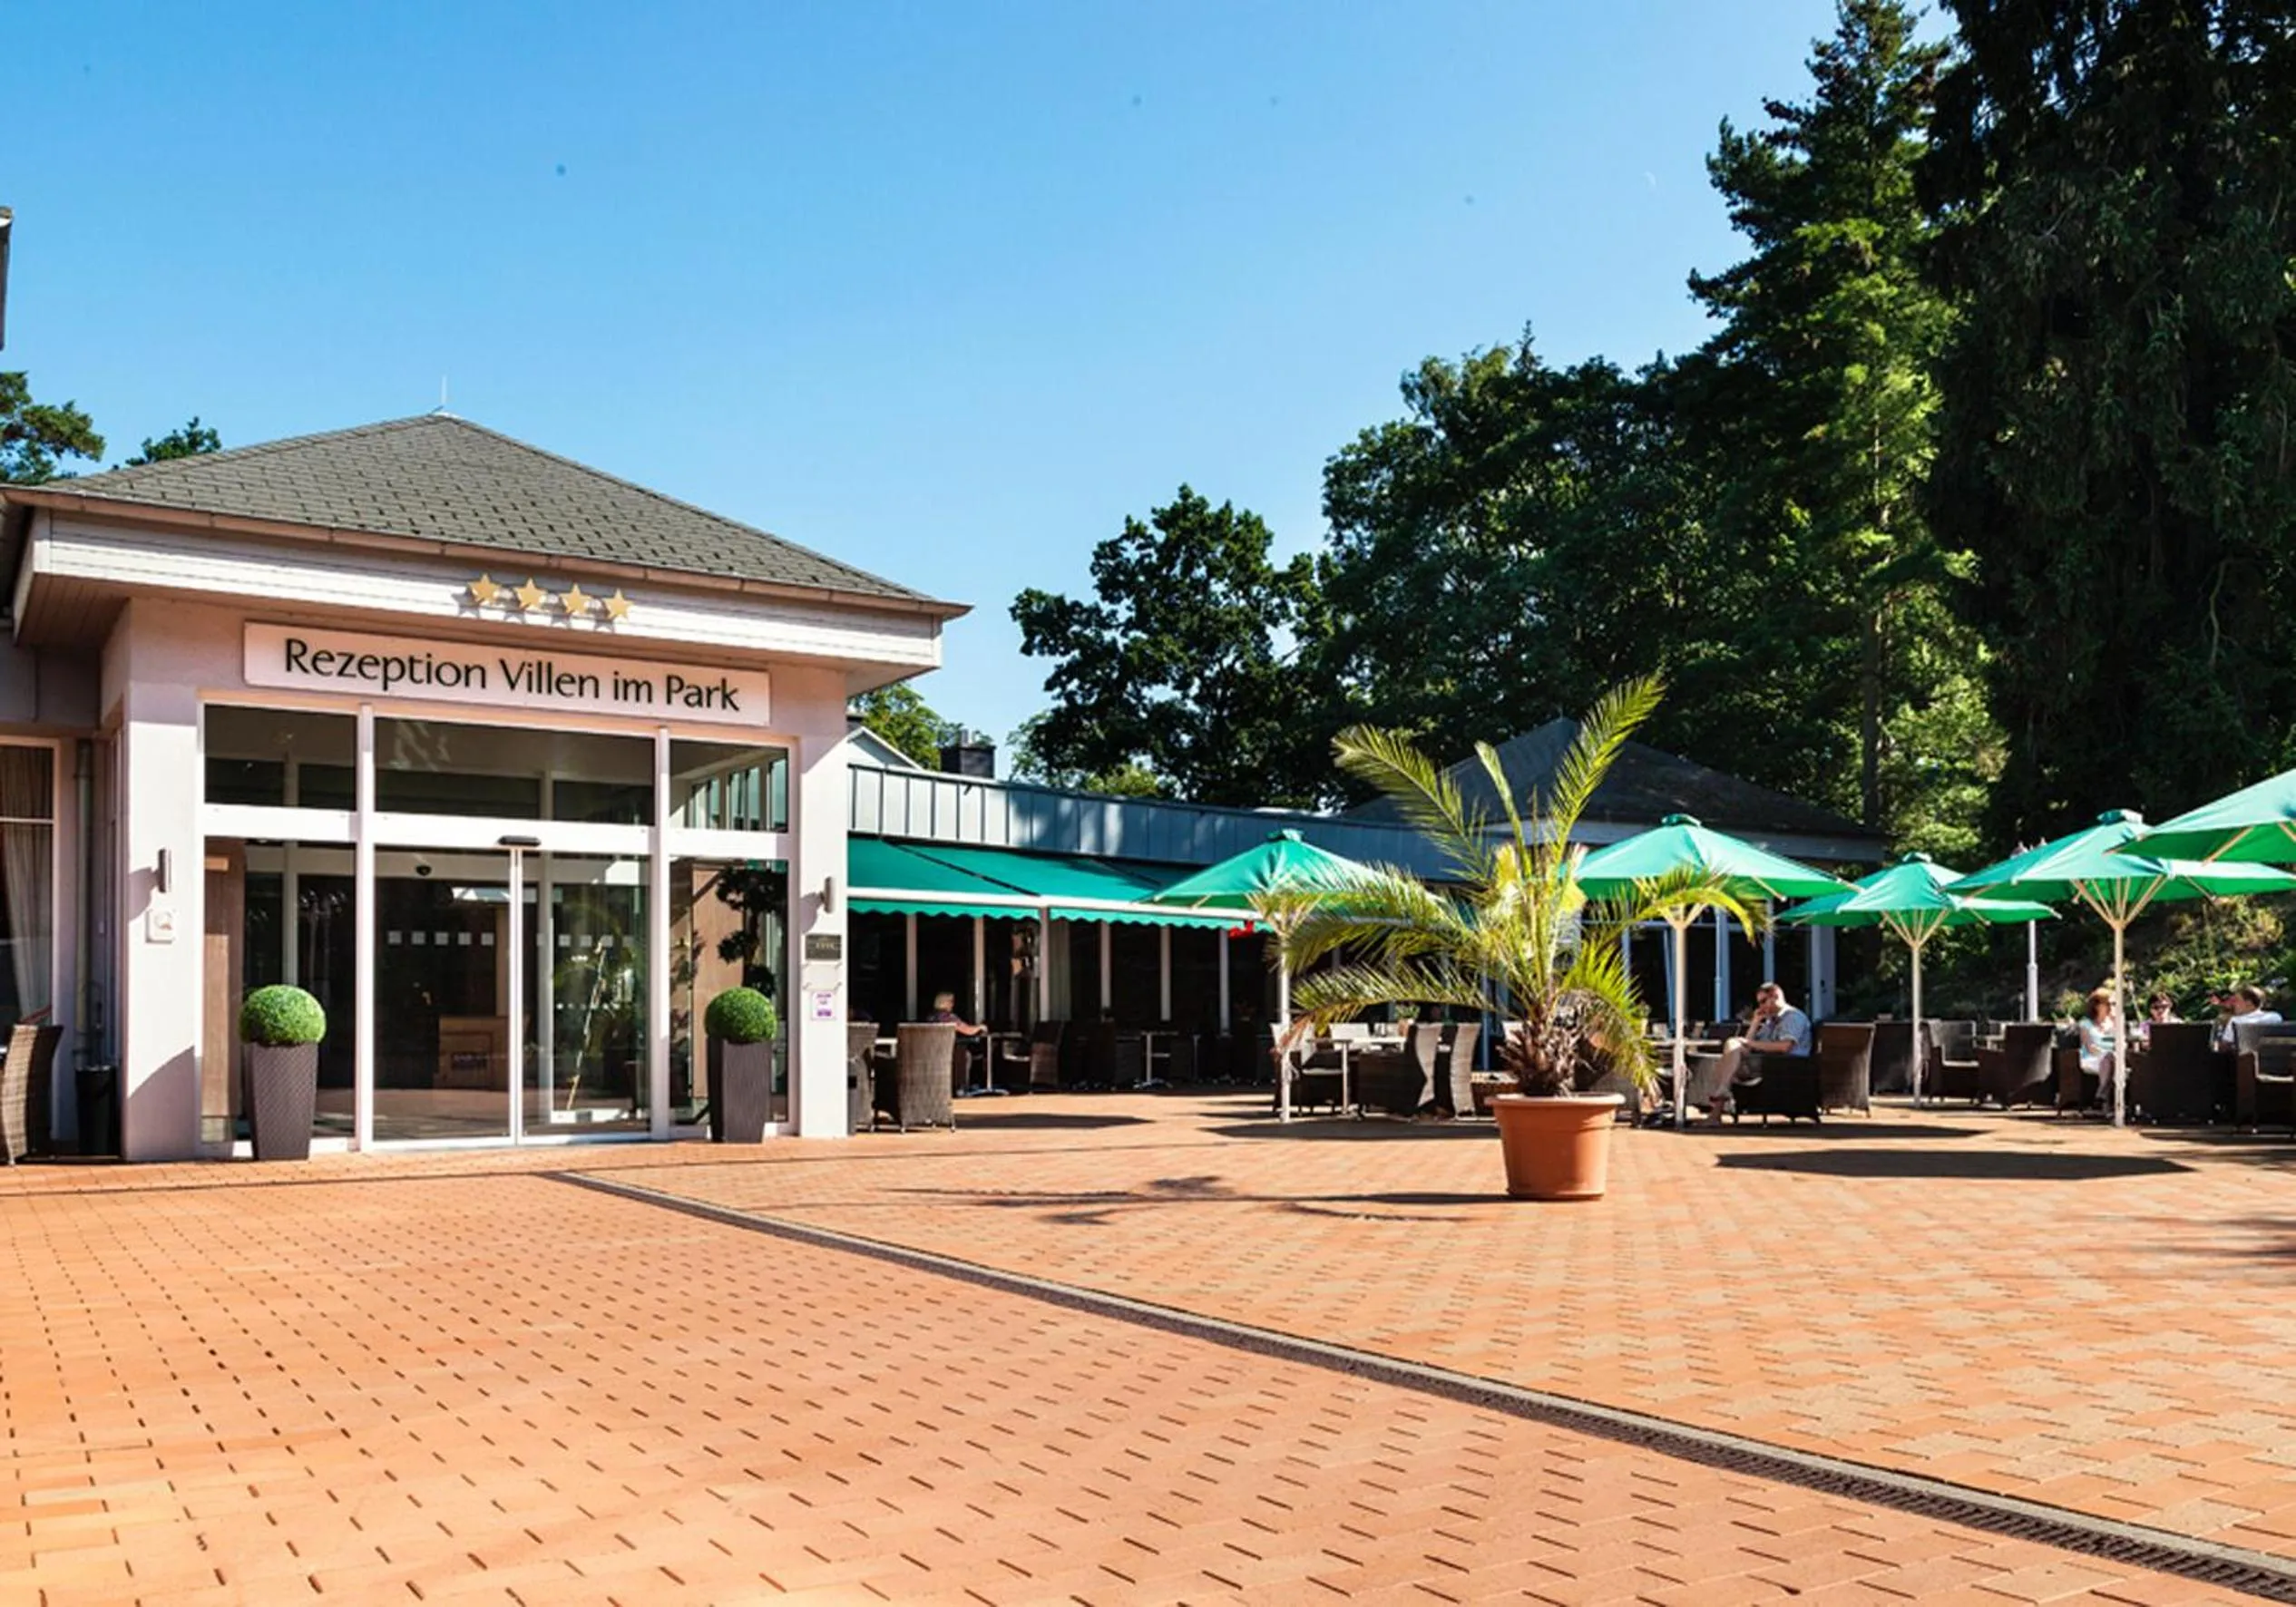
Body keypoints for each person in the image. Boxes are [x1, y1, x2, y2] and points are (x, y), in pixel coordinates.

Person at [1704, 980, 1812, 1121]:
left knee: (1728, 1062)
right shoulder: (1771, 1021)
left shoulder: (1793, 1017)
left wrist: (1749, 1043)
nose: (1761, 1006)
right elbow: (1748, 1046)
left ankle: (1717, 1110)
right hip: (1770, 1063)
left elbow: (1785, 1046)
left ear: (1775, 996)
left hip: (1787, 1067)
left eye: (1763, 1001)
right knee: (1728, 1057)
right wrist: (1755, 1022)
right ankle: (1721, 1096)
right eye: (1759, 1003)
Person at [2076, 987, 2116, 1108]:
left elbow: (2120, 1044)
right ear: (2097, 1006)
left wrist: (2116, 1024)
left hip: (2113, 1059)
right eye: (2108, 1004)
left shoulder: (2114, 1024)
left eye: (2113, 1004)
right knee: (2109, 1058)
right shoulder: (2086, 1024)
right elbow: (2090, 1047)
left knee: (2112, 1060)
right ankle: (2104, 1098)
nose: (2111, 1007)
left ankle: (2102, 1095)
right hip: (2091, 1058)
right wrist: (2105, 1053)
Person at [2215, 983, 2282, 1049]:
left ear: (2248, 1003)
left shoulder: (2236, 1021)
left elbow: (2224, 1046)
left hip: (2244, 1055)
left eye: (2236, 1000)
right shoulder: (2275, 1017)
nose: (2233, 1004)